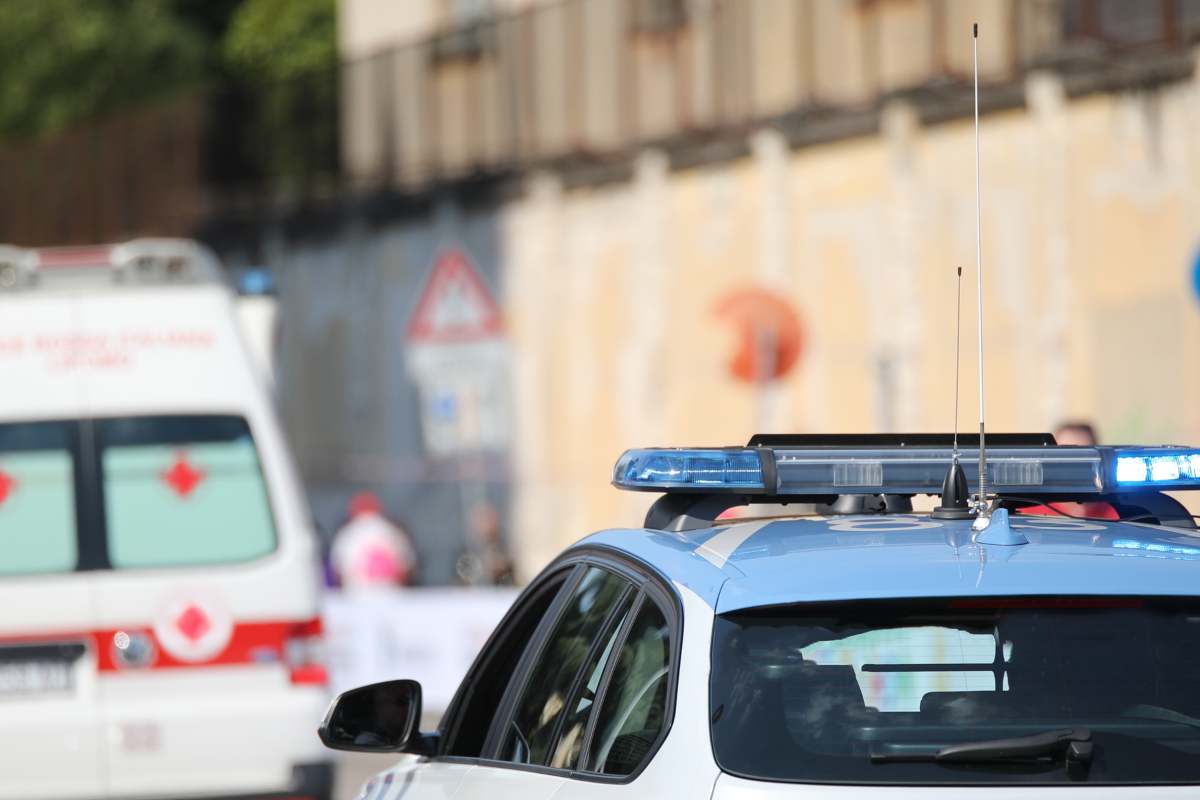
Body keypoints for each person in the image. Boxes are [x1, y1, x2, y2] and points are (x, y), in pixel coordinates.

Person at [330, 491, 418, 589]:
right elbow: (407, 567)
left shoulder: (346, 534)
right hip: (391, 592)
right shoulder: (393, 530)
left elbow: (337, 571)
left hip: (357, 594)